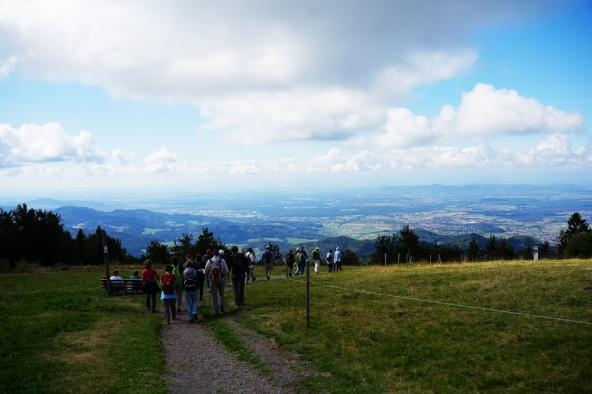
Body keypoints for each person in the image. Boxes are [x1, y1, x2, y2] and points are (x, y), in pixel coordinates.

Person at [204, 249, 229, 316]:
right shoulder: (222, 260)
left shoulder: (209, 261)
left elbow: (206, 271)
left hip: (212, 280)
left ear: (213, 254)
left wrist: (209, 276)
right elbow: (227, 271)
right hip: (221, 280)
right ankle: (222, 308)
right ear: (218, 253)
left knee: (214, 296)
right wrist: (222, 275)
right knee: (221, 294)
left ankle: (216, 311)